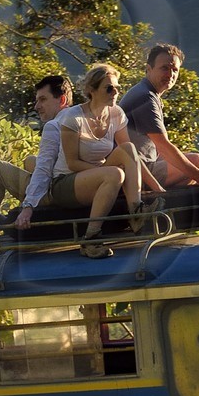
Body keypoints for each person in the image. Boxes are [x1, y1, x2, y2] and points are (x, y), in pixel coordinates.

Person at [51, 63, 160, 257]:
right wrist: (103, 170)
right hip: (66, 181)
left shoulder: (116, 113)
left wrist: (157, 188)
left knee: (127, 148)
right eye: (109, 88)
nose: (115, 92)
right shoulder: (73, 118)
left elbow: (132, 157)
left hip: (97, 174)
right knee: (115, 173)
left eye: (117, 88)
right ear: (91, 90)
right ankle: (91, 239)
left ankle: (136, 211)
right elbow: (72, 163)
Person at [0, 74, 71, 228]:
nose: (37, 106)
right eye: (37, 100)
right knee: (30, 160)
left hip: (58, 189)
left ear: (62, 100)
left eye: (43, 99)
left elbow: (44, 170)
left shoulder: (54, 126)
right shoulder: (79, 118)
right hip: (71, 183)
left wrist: (28, 207)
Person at [119, 43, 199, 188]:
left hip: (143, 163)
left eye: (175, 70)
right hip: (134, 171)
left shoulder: (147, 93)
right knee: (198, 162)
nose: (170, 74)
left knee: (192, 162)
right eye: (164, 68)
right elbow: (163, 146)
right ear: (148, 69)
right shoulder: (144, 97)